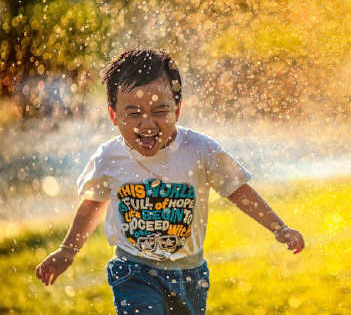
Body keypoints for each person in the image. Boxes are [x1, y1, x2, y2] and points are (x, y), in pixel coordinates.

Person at [35, 49, 305, 314]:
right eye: (134, 113)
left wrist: (278, 227)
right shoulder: (110, 157)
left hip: (189, 274)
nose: (147, 123)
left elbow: (237, 189)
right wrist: (68, 250)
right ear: (114, 115)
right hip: (134, 270)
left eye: (159, 110)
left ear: (177, 109)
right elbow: (93, 203)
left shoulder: (200, 150)